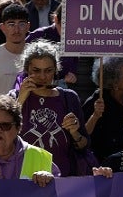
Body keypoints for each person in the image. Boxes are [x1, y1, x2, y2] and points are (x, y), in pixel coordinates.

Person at [16, 40, 90, 177]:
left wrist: (74, 133)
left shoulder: (69, 98)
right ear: (26, 69)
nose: (43, 77)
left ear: (56, 69)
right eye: (36, 71)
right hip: (24, 180)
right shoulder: (15, 97)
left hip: (62, 179)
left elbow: (84, 145)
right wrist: (20, 100)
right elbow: (3, 136)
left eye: (48, 71)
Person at [84, 56, 123, 161]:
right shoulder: (97, 101)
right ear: (114, 83)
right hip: (103, 162)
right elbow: (83, 134)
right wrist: (95, 116)